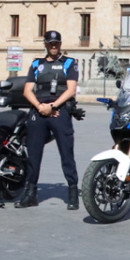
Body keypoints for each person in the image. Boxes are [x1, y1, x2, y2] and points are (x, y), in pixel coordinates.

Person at [18, 30, 80, 210]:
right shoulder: (37, 64)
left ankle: (72, 192)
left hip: (59, 112)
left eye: (56, 43)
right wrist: (40, 107)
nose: (54, 46)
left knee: (66, 153)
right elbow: (27, 90)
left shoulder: (69, 63)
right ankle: (30, 193)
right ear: (45, 44)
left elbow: (71, 90)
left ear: (60, 44)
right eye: (50, 43)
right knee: (33, 154)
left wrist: (52, 106)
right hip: (39, 111)